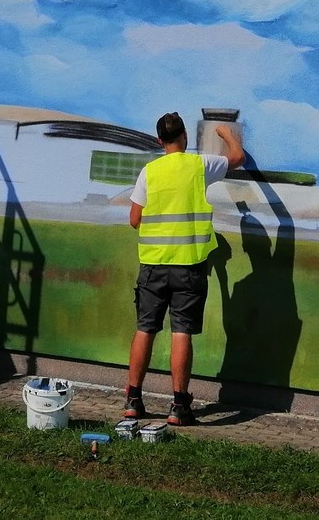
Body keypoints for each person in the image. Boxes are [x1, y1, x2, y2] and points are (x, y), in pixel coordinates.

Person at [123, 111, 245, 426]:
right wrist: (225, 134)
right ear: (185, 137)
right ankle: (178, 406)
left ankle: (133, 401)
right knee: (181, 332)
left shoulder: (149, 172)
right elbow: (237, 158)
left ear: (159, 141)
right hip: (189, 266)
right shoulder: (199, 165)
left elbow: (134, 219)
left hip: (153, 264)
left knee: (145, 329)